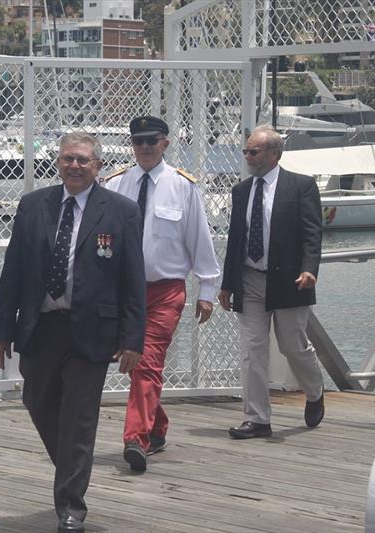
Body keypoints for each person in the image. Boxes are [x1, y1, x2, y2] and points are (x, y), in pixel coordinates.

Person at [0, 131, 146, 532]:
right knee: (37, 403)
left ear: (97, 166)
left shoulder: (121, 211)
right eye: (67, 159)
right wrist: (0, 330)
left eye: (83, 160)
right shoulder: (32, 206)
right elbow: (13, 273)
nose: (74, 166)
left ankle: (71, 506)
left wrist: (132, 339)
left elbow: (133, 279)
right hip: (41, 327)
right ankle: (74, 468)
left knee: (79, 418)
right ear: (57, 162)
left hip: (92, 332)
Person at [103, 116, 220, 471]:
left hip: (165, 291)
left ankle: (135, 439)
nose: (145, 148)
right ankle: (157, 426)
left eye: (152, 140)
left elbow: (199, 238)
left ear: (166, 143)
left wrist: (208, 288)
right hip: (123, 290)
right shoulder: (115, 183)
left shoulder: (183, 186)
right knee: (132, 364)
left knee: (147, 361)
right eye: (138, 141)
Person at [218, 125, 325, 439]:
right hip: (250, 279)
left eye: (254, 151)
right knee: (253, 349)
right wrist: (227, 285)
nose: (248, 157)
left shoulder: (301, 186)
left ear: (274, 154)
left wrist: (310, 269)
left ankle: (315, 390)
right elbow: (235, 241)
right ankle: (258, 419)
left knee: (294, 346)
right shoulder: (241, 191)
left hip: (290, 280)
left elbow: (311, 234)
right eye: (246, 152)